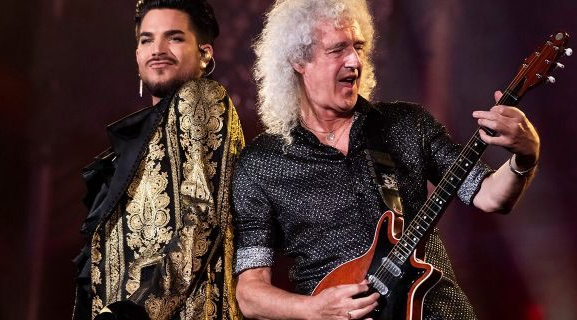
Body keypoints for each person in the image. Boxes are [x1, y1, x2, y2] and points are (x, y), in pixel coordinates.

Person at [232, 0, 540, 319]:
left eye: (359, 47)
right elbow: (250, 293)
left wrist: (525, 156)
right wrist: (312, 308)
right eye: (338, 49)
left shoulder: (407, 124)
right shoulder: (261, 164)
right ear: (299, 59)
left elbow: (490, 196)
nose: (354, 60)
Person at [72, 1, 244, 319]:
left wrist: (141, 311)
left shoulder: (200, 97)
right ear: (137, 56)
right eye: (147, 39)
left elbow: (202, 219)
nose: (158, 49)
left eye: (174, 37)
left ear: (205, 54)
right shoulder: (142, 139)